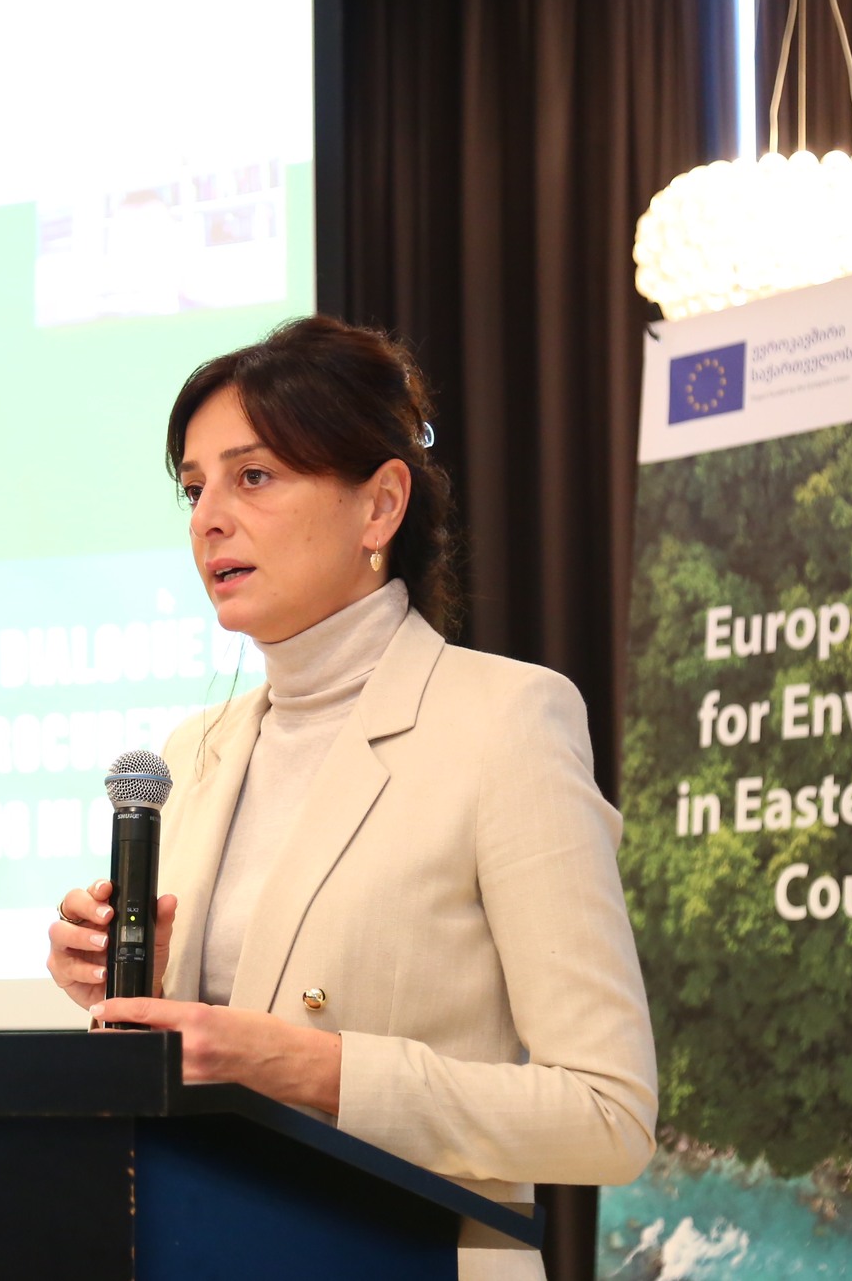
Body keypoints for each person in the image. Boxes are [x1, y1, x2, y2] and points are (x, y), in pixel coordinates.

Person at [46, 315, 656, 1281]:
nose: (208, 519)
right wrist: (132, 986)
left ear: (380, 506)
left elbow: (607, 1114)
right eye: (195, 489)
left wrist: (313, 1068)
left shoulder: (505, 722)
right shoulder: (193, 752)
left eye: (253, 476)